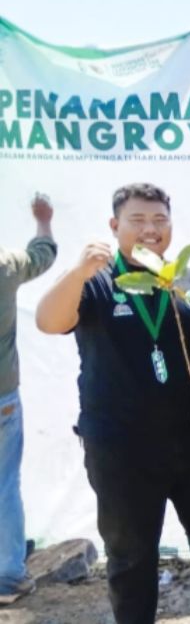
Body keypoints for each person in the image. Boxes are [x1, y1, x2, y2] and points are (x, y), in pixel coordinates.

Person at [35, 183, 190, 624]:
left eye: (159, 220)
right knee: (130, 545)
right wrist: (77, 272)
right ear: (114, 226)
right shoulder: (98, 283)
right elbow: (49, 321)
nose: (150, 230)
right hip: (120, 446)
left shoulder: (188, 281)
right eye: (137, 220)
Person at [0, 194, 56, 605]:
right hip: (3, 396)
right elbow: (43, 253)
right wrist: (43, 220)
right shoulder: (5, 265)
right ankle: (8, 576)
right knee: (4, 485)